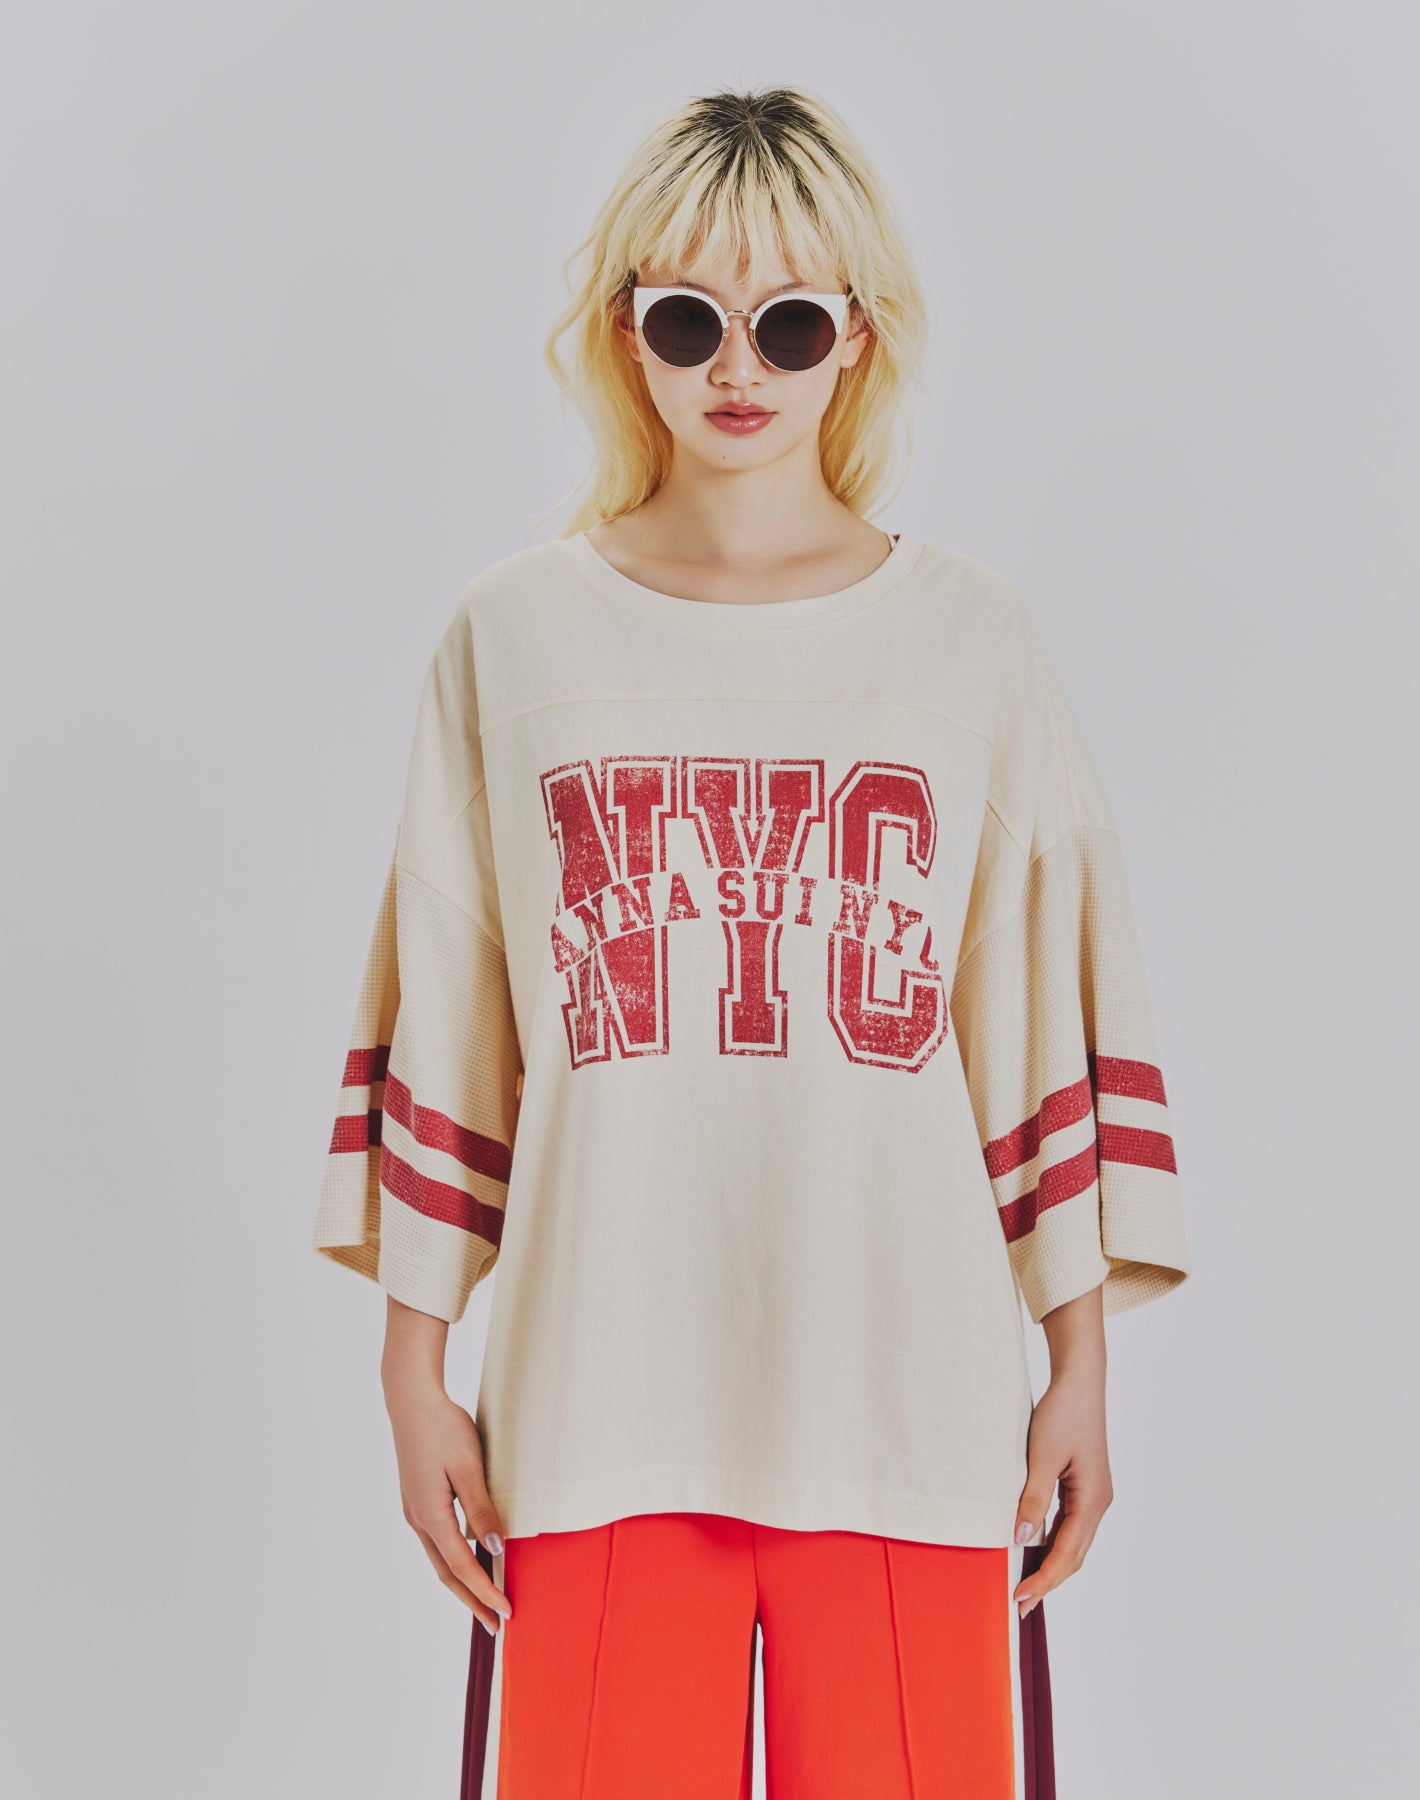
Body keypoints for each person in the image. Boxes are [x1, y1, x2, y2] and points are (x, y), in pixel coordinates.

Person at [311, 83, 1191, 1800]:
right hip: (595, 1404)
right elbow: (458, 1019)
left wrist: (1079, 1367)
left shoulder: (968, 642)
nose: (739, 368)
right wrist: (413, 1373)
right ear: (623, 331)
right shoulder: (513, 639)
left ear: (855, 336)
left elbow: (1033, 1019)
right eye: (688, 320)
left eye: (788, 322)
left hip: (907, 1402)